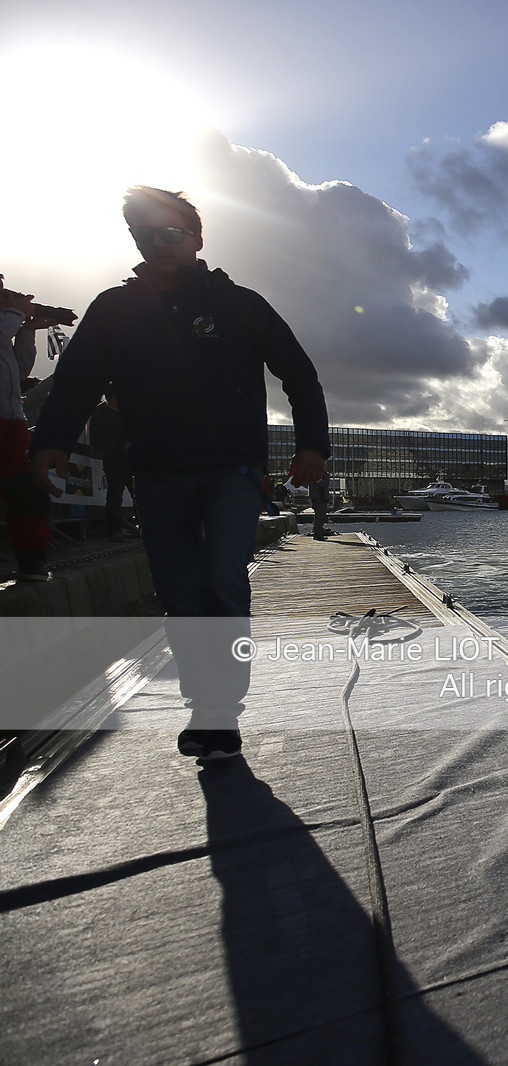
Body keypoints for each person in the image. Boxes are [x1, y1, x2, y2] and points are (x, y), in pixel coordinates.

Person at [30, 187, 330, 762]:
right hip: (157, 471)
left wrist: (312, 444)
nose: (158, 242)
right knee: (179, 593)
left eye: (171, 233)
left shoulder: (241, 305)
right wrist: (51, 444)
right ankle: (204, 704)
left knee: (221, 578)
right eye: (145, 233)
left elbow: (300, 374)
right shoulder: (113, 310)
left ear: (197, 239)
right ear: (135, 240)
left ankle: (221, 712)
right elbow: (74, 385)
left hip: (232, 469)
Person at [1, 281, 54, 581]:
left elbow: (20, 368)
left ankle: (32, 559)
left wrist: (26, 330)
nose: (6, 298)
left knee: (27, 490)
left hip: (13, 421)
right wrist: (14, 314)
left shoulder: (5, 328)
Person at [88, 388, 133, 540]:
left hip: (131, 459)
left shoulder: (126, 413)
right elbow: (96, 440)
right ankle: (115, 528)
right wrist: (118, 447)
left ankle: (142, 525)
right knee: (115, 494)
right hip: (114, 459)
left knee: (138, 494)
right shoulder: (101, 414)